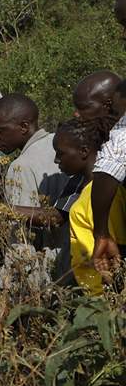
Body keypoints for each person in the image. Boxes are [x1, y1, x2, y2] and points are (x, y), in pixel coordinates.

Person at [53, 119, 124, 294]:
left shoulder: (96, 197)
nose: (56, 160)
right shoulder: (106, 190)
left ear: (84, 151)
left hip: (102, 298)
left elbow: (108, 259)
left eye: (60, 154)